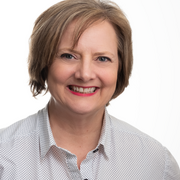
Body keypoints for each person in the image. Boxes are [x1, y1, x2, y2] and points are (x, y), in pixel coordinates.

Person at [0, 0, 179, 179]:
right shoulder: (4, 156)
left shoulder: (157, 164)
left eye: (102, 59)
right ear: (44, 63)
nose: (85, 74)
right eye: (69, 56)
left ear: (120, 68)